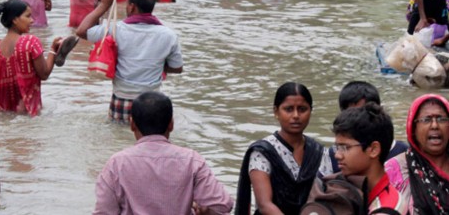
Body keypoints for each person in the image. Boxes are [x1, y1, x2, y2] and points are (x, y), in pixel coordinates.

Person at [93, 92, 234, 214]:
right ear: (171, 124)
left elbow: (104, 212)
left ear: (132, 125)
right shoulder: (192, 160)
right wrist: (205, 212)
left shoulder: (116, 164)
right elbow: (223, 205)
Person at [76, 0, 183, 123]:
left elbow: (81, 31)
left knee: (118, 140)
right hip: (153, 102)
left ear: (132, 7)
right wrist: (157, 64)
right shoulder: (168, 35)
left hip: (122, 98)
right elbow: (177, 68)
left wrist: (103, 5)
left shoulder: (116, 29)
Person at [236, 82, 332, 215]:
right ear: (276, 112)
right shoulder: (262, 152)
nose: (296, 116)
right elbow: (265, 205)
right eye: (289, 109)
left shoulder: (319, 152)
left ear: (311, 111)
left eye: (302, 109)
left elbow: (326, 197)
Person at [0, 0, 75, 116]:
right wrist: (53, 50)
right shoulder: (30, 42)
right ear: (15, 19)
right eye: (28, 16)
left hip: (3, 116)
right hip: (29, 114)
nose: (32, 21)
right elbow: (44, 74)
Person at [332, 103, 408, 213]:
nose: (337, 155)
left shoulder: (388, 208)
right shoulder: (355, 192)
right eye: (337, 147)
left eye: (345, 147)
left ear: (373, 150)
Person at [385, 94, 449, 214]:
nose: (435, 125)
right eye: (426, 120)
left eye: (441, 119)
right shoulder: (394, 170)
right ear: (413, 128)